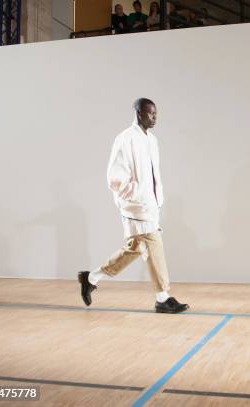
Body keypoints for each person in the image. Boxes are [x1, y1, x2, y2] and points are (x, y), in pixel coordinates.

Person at [78, 98, 189, 314]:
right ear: (138, 113)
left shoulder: (152, 140)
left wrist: (154, 199)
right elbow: (114, 177)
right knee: (154, 245)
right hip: (136, 207)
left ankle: (91, 278)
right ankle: (163, 298)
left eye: (156, 114)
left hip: (150, 206)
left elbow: (153, 174)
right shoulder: (125, 139)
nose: (154, 118)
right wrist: (137, 194)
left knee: (136, 248)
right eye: (150, 114)